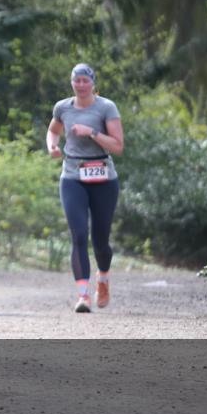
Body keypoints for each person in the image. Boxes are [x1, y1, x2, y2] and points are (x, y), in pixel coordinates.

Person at [46, 63, 124, 313]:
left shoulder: (106, 107)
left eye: (85, 81)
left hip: (103, 176)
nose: (80, 85)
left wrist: (92, 132)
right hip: (72, 176)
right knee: (78, 234)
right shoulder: (63, 107)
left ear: (93, 83)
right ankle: (83, 296)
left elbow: (117, 146)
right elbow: (53, 130)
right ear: (71, 83)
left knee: (100, 240)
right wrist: (52, 146)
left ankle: (103, 278)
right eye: (76, 81)